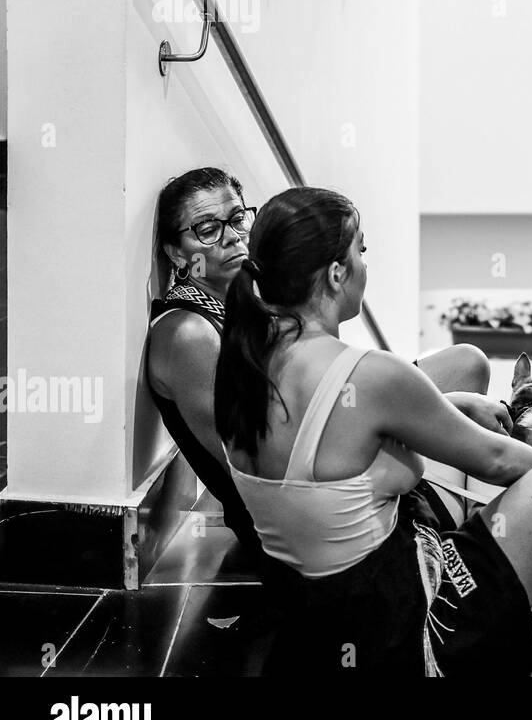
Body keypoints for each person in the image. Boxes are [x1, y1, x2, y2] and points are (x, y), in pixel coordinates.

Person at [214, 186, 532, 676]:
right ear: (336, 274)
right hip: (406, 634)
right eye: (360, 250)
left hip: (314, 618)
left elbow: (334, 443)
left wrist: (452, 405)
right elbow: (500, 460)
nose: (365, 262)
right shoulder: (368, 373)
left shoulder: (241, 364)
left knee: (466, 402)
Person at [147, 168, 491, 573]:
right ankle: (466, 557)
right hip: (297, 521)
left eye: (238, 218)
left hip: (325, 449)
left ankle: (466, 540)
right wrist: (399, 430)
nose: (232, 236)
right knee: (479, 453)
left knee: (467, 364)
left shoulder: (249, 296)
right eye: (207, 229)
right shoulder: (189, 334)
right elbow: (247, 470)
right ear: (175, 252)